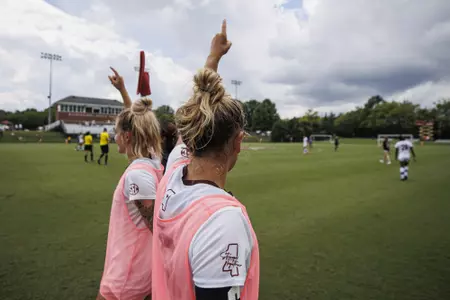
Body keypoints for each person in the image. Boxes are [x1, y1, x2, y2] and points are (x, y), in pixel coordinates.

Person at [152, 20, 259, 300]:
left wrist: (213, 58)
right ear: (238, 141)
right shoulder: (223, 222)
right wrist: (213, 58)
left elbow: (197, 114)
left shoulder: (174, 169)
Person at [97, 98, 164, 300]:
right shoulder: (151, 162)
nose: (114, 137)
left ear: (126, 136)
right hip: (131, 270)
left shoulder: (139, 174)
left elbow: (157, 228)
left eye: (117, 133)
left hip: (127, 276)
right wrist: (124, 93)